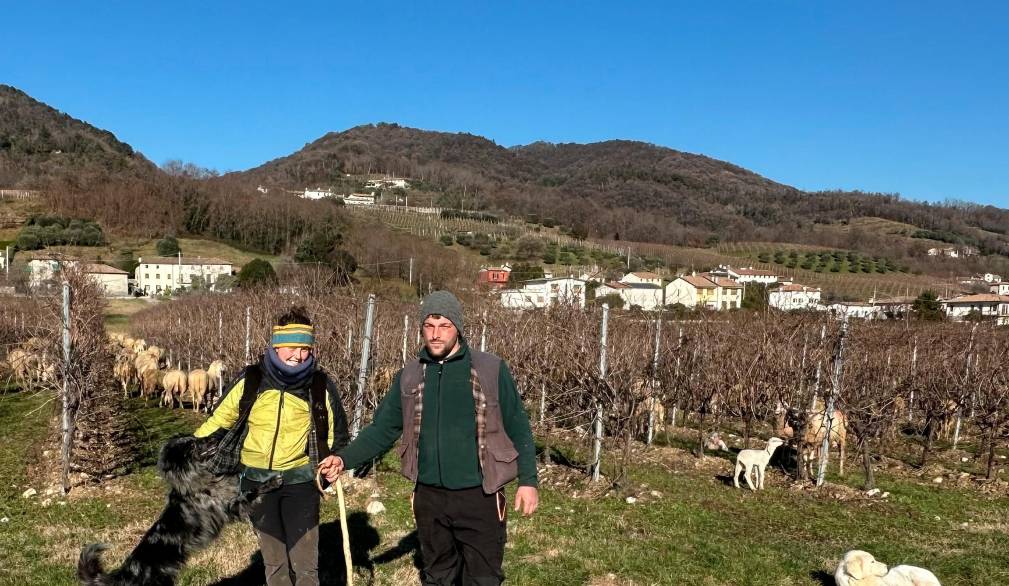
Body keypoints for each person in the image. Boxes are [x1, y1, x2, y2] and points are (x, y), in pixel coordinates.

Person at [320, 290, 538, 586]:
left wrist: (528, 481)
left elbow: (519, 427)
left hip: (481, 496)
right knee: (437, 576)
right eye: (429, 326)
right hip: (430, 498)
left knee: (483, 578)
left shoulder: (490, 369)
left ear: (458, 328)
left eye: (444, 326)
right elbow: (382, 429)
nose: (435, 335)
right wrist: (343, 459)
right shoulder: (410, 375)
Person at [195, 306, 349, 586]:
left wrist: (334, 462)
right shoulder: (252, 380)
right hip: (256, 484)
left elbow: (337, 436)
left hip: (301, 483)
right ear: (276, 346)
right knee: (275, 567)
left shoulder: (319, 385)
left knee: (306, 568)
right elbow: (219, 421)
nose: (298, 356)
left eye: (304, 349)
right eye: (290, 347)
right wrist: (190, 452)